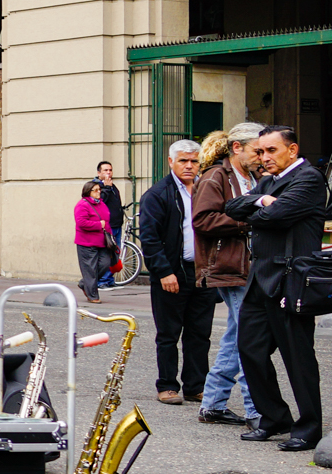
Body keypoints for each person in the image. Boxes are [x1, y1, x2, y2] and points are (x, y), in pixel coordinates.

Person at [226, 126, 327, 451]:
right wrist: (261, 199)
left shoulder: (308, 179)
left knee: (297, 357)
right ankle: (274, 418)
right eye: (260, 152)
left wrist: (258, 206)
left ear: (292, 149)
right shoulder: (268, 181)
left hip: (291, 280)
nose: (263, 157)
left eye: (271, 151)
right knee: (250, 350)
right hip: (261, 278)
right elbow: (231, 208)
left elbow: (275, 216)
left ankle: (309, 427)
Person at [192, 123, 264, 429]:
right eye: (256, 150)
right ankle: (256, 410)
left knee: (237, 336)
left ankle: (213, 404)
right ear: (237, 147)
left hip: (249, 266)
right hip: (228, 266)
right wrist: (245, 222)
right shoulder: (216, 176)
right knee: (249, 336)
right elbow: (203, 219)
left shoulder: (254, 177)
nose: (262, 156)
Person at [139, 139, 218, 405]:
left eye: (194, 161)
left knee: (199, 333)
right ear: (171, 162)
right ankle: (167, 385)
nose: (189, 166)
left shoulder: (207, 189)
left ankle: (196, 386)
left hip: (202, 272)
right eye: (183, 160)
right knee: (169, 333)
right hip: (173, 272)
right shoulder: (158, 194)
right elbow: (149, 239)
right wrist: (163, 272)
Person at [74, 180, 111, 305]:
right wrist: (98, 225)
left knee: (105, 264)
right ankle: (92, 295)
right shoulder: (82, 205)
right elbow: (81, 223)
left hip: (102, 242)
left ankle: (85, 283)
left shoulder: (101, 204)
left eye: (99, 190)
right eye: (95, 190)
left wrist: (111, 237)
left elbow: (107, 221)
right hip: (86, 243)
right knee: (90, 269)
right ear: (88, 191)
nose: (98, 192)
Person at [95, 161, 124, 288]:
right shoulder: (97, 187)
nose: (108, 173)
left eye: (110, 170)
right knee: (106, 254)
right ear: (99, 173)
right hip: (107, 226)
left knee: (114, 254)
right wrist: (106, 188)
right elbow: (99, 203)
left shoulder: (112, 186)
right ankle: (102, 281)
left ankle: (110, 280)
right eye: (105, 170)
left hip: (116, 224)